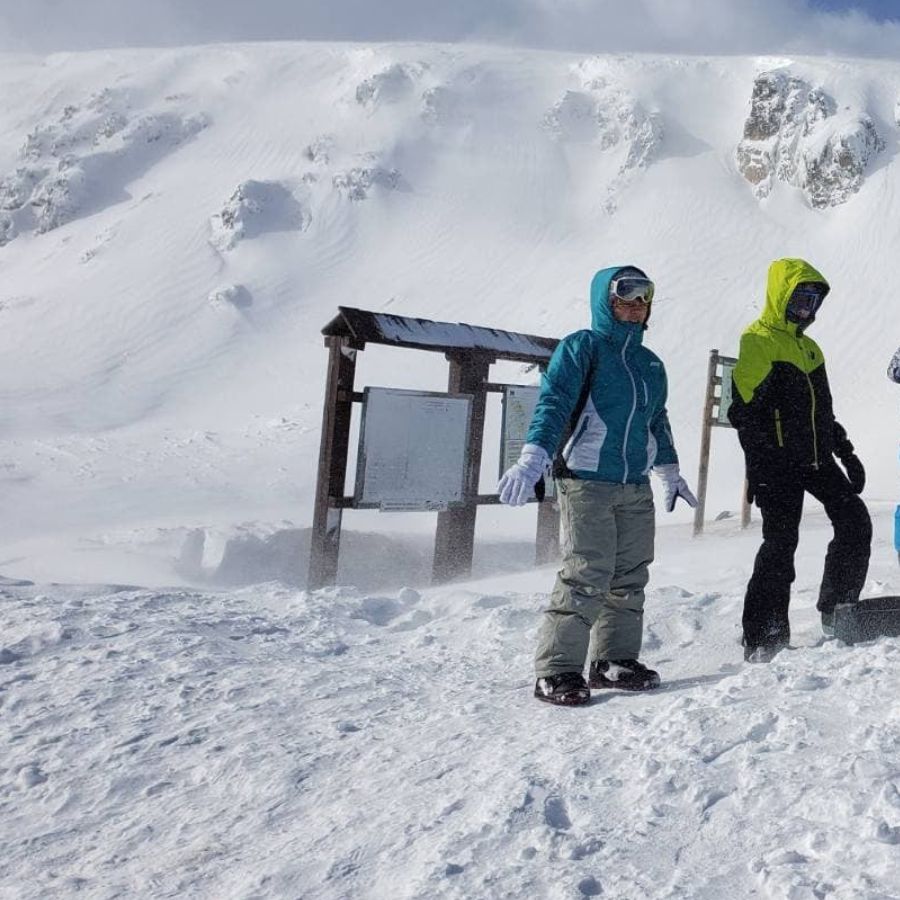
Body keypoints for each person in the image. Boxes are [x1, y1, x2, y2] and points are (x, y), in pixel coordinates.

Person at [498, 265, 697, 706]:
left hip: (633, 483)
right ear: (605, 300)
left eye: (644, 298)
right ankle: (557, 670)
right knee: (587, 573)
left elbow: (656, 421)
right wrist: (534, 457)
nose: (635, 305)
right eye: (625, 295)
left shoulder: (650, 363)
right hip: (587, 480)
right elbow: (554, 402)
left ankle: (613, 661)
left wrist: (669, 470)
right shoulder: (583, 347)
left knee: (629, 576)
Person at [728, 258, 871, 662]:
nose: (806, 307)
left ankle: (838, 608)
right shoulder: (757, 340)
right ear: (782, 296)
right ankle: (763, 633)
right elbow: (744, 412)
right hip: (778, 464)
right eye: (800, 298)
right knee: (780, 543)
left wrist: (846, 452)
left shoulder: (810, 349)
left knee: (855, 521)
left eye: (812, 300)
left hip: (816, 458)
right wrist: (759, 467)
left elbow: (822, 412)